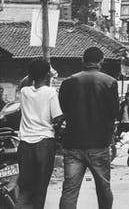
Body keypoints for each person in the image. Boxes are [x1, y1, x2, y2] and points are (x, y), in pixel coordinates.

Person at [58, 46, 120, 209]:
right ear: (101, 61)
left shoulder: (69, 81)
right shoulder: (109, 82)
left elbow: (63, 108)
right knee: (103, 187)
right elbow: (114, 112)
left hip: (73, 142)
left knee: (70, 190)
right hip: (99, 143)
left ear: (82, 61)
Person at [17, 59, 62, 209]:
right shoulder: (50, 93)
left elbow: (25, 83)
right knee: (40, 189)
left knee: (25, 188)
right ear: (48, 74)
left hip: (25, 144)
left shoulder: (24, 92)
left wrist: (32, 76)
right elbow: (56, 117)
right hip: (44, 142)